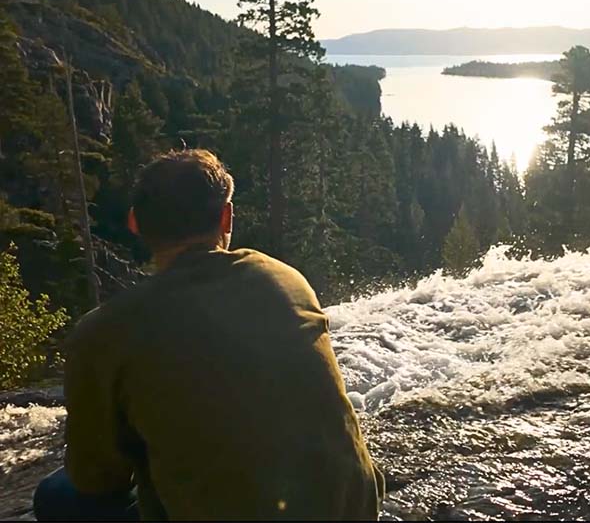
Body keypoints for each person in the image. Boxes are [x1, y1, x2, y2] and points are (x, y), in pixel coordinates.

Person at [33, 149, 384, 521]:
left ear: (135, 223)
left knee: (57, 495)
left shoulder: (102, 332)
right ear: (226, 216)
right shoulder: (285, 279)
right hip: (354, 508)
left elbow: (96, 480)